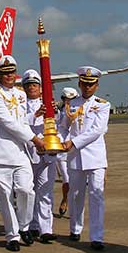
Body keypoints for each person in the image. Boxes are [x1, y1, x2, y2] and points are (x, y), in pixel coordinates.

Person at [0, 56, 45, 252]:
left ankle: (24, 225)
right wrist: (35, 140)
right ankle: (12, 235)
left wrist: (35, 121)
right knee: (4, 196)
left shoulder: (21, 94)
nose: (9, 76)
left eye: (12, 72)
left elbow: (22, 121)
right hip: (1, 152)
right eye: (5, 73)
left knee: (26, 191)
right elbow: (7, 122)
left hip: (21, 152)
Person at [59, 67, 110, 251]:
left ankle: (97, 236)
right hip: (74, 157)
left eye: (91, 84)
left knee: (96, 194)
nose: (87, 87)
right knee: (75, 194)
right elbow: (63, 126)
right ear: (80, 84)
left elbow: (97, 130)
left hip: (95, 157)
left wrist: (73, 142)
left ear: (96, 86)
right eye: (85, 84)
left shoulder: (102, 105)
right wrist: (62, 141)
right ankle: (75, 228)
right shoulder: (71, 104)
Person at [22, 69, 58, 243]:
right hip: (28, 152)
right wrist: (35, 115)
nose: (32, 88)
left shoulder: (50, 103)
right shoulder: (20, 104)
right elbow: (18, 123)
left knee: (44, 191)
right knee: (28, 192)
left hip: (47, 153)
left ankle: (46, 229)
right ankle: (30, 226)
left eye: (35, 85)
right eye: (28, 85)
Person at [55, 87, 78, 216]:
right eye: (66, 99)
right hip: (62, 149)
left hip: (76, 147)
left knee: (76, 181)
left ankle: (73, 204)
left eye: (72, 99)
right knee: (66, 178)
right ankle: (65, 200)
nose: (69, 102)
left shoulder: (82, 110)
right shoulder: (59, 112)